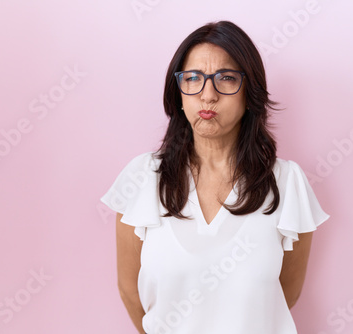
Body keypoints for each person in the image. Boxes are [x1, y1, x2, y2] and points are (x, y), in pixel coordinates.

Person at [100, 20, 329, 334]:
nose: (208, 95)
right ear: (178, 92)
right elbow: (129, 290)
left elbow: (284, 293)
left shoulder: (287, 184)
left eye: (226, 78)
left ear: (249, 92)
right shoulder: (142, 178)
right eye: (193, 78)